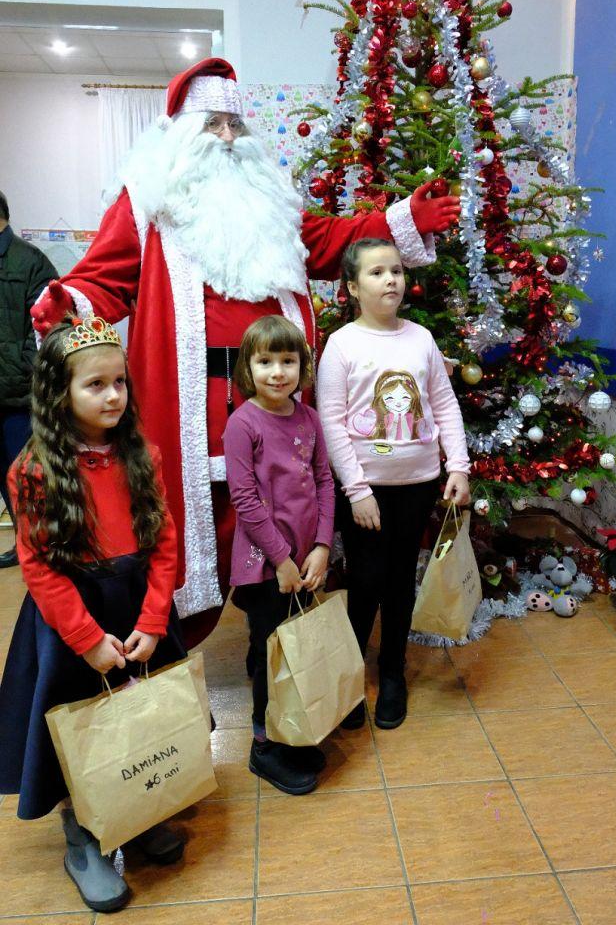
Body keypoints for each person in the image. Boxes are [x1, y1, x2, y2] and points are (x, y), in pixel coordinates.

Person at [29, 58, 460, 644]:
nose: (229, 138)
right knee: (189, 523)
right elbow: (105, 278)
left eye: (236, 124)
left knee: (284, 506)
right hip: (193, 405)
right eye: (214, 124)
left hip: (275, 393)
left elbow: (328, 239)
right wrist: (68, 302)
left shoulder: (271, 203)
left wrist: (400, 219)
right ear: (183, 133)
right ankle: (169, 643)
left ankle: (282, 649)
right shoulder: (147, 206)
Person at [0, 314, 188, 913]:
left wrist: (154, 620)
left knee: (137, 714)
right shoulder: (32, 471)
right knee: (78, 725)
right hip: (73, 622)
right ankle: (82, 832)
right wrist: (85, 638)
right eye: (95, 385)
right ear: (60, 393)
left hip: (136, 610)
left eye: (119, 382)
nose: (113, 396)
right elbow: (38, 566)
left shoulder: (142, 455)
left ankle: (135, 808)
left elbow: (164, 542)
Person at [316, 238, 470, 731]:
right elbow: (331, 421)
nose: (391, 280)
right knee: (364, 581)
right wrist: (357, 490)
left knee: (401, 580)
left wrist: (458, 466)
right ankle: (349, 675)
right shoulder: (342, 345)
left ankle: (392, 671)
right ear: (352, 287)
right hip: (366, 492)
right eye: (377, 272)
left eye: (397, 271)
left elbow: (444, 405)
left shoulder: (421, 339)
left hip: (417, 484)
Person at [224, 316, 335, 795]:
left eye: (287, 361)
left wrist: (322, 546)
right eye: (265, 361)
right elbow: (245, 499)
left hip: (306, 562)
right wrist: (283, 560)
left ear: (302, 366)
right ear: (248, 369)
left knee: (296, 650)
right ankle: (264, 745)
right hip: (265, 568)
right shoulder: (242, 423)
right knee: (270, 655)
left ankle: (290, 728)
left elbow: (325, 482)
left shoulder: (309, 418)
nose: (277, 372)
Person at [0, 190, 57, 569]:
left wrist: (23, 372)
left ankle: (43, 553)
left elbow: (48, 329)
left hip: (19, 401)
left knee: (28, 480)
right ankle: (25, 547)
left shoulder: (31, 261)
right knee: (5, 482)